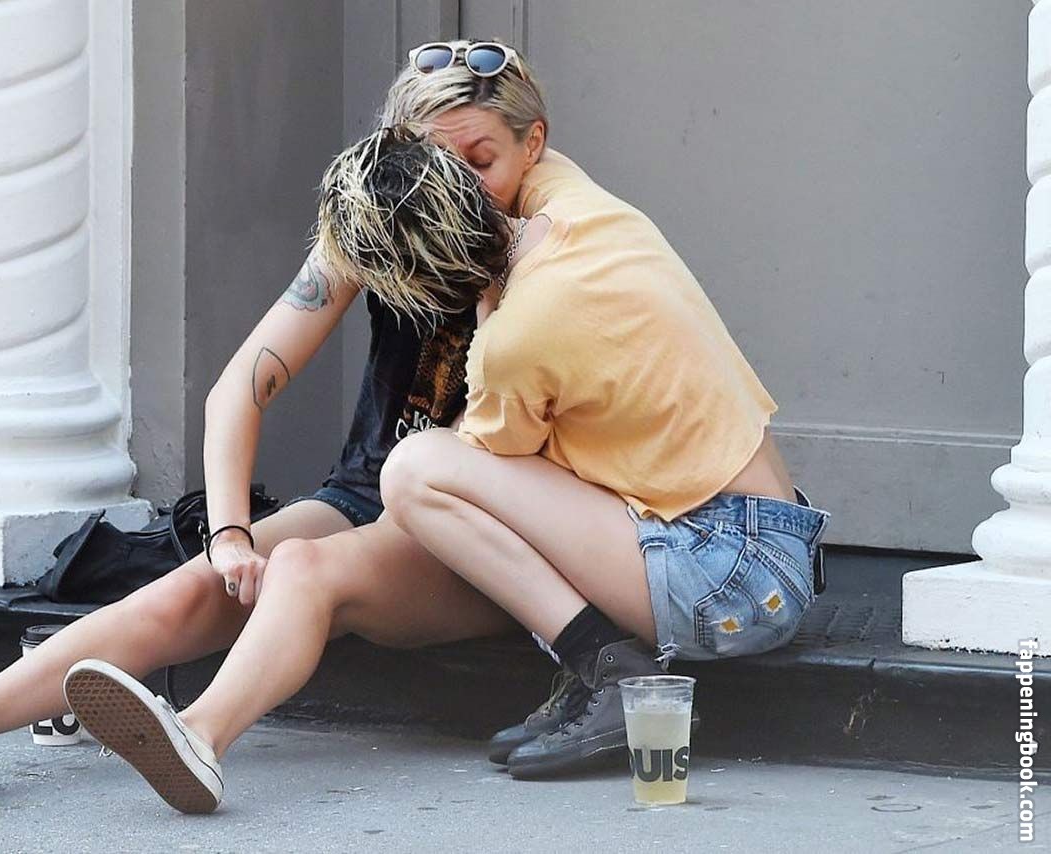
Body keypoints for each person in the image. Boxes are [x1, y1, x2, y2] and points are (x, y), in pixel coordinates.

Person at [59, 115, 832, 811]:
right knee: (353, 524)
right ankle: (196, 731)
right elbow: (515, 134)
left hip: (729, 574)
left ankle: (608, 667)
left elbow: (473, 491)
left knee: (415, 470)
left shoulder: (514, 341)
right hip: (754, 546)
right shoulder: (572, 209)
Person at [0, 39, 609, 799]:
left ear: (532, 145)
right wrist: (231, 535)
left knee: (303, 567)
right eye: (436, 162)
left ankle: (198, 735)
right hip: (367, 493)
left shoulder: (557, 242)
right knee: (191, 588)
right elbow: (239, 388)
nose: (459, 185)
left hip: (478, 531)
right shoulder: (380, 219)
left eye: (481, 160)